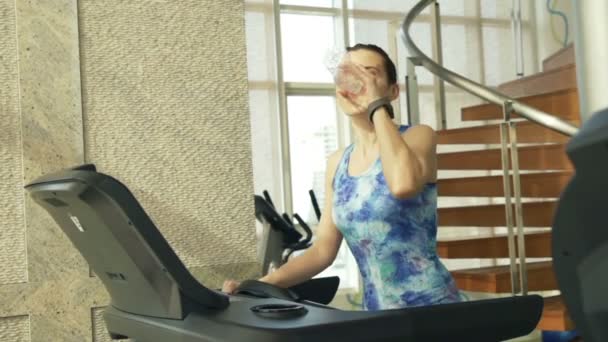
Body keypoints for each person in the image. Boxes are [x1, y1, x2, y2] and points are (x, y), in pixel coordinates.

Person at [224, 43, 466, 310]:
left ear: (393, 91)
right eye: (347, 74)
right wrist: (257, 286)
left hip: (433, 307)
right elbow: (322, 252)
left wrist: (376, 106)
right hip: (376, 315)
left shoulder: (418, 136)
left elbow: (402, 184)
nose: (356, 82)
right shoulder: (337, 162)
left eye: (369, 73)